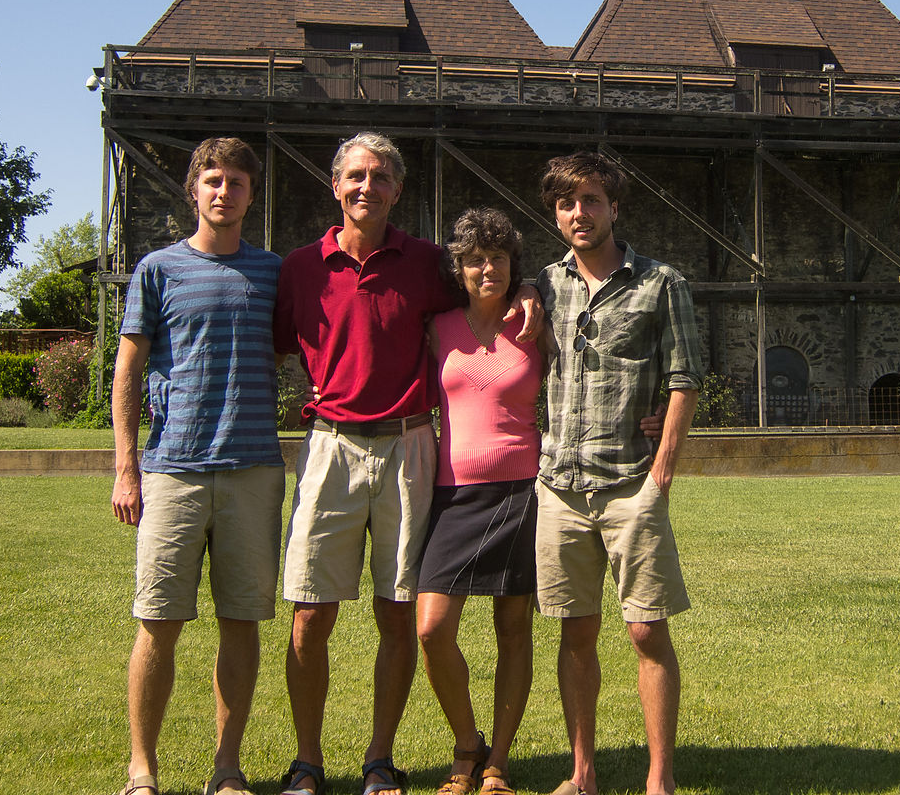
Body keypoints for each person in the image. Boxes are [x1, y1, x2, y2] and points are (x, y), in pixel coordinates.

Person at [273, 133, 539, 795]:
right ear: (335, 186)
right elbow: (268, 343)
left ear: (398, 190)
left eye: (383, 177)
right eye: (356, 176)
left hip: (409, 447)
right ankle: (307, 762)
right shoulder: (300, 268)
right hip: (330, 446)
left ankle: (379, 760)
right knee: (311, 613)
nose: (368, 187)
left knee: (399, 614)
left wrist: (530, 288)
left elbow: (491, 280)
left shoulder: (425, 263)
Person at [111, 136, 284, 795]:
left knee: (241, 623)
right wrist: (126, 466)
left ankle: (227, 766)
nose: (224, 191)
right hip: (173, 468)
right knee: (158, 623)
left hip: (253, 470)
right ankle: (142, 768)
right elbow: (128, 366)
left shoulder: (272, 271)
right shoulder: (157, 268)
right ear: (193, 190)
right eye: (212, 179)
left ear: (250, 193)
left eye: (237, 181)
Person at [533, 151, 704, 795]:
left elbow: (684, 379)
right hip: (559, 485)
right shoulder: (543, 286)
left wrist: (662, 473)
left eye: (592, 200)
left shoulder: (662, 284)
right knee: (576, 631)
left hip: (632, 480)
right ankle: (583, 773)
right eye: (567, 203)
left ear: (615, 207)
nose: (580, 213)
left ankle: (659, 778)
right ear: (557, 214)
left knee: (645, 628)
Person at [416, 208, 544, 795]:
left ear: (513, 263)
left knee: (512, 627)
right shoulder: (437, 325)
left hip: (522, 492)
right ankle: (467, 743)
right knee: (432, 627)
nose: (486, 268)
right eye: (474, 259)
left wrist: (532, 291)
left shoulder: (534, 325)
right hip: (453, 496)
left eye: (497, 257)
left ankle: (498, 761)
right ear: (459, 268)